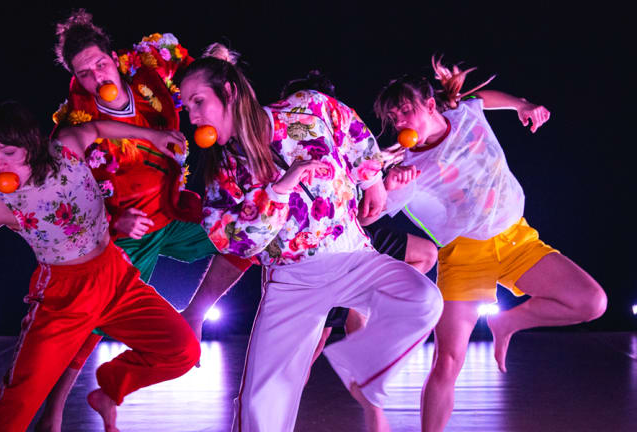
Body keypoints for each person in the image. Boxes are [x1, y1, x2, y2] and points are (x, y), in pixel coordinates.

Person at [178, 47, 444, 432]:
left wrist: (372, 180)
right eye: (187, 107)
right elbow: (236, 243)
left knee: (423, 300)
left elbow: (353, 130)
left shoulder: (307, 107)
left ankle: (362, 370)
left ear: (229, 92)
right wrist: (280, 189)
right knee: (261, 402)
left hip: (352, 257)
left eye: (198, 101)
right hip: (291, 282)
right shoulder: (223, 173)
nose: (193, 116)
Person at [41, 11, 252, 431]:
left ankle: (195, 314)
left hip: (173, 212)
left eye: (100, 63)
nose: (97, 76)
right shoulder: (75, 125)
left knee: (249, 233)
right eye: (84, 73)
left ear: (113, 57)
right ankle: (53, 413)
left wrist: (218, 60)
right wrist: (114, 222)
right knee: (91, 323)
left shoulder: (149, 67)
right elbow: (66, 202)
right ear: (75, 78)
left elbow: (197, 73)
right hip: (128, 232)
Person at [372, 57, 608, 432]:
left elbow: (483, 99)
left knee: (592, 302)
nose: (399, 121)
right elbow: (370, 216)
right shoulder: (408, 166)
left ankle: (508, 322)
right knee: (448, 362)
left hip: (516, 239)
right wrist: (387, 185)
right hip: (464, 257)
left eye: (405, 110)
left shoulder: (465, 115)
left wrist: (522, 105)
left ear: (430, 105)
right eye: (393, 117)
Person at [0, 101, 199, 432]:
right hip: (63, 297)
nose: (1, 165)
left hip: (115, 278)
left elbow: (99, 127)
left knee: (182, 350)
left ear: (31, 143)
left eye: (9, 153)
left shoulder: (67, 148)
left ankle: (110, 387)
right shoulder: (1, 204)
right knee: (20, 399)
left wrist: (152, 136)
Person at [279, 70, 438, 375]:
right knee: (314, 342)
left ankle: (362, 305)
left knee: (426, 253)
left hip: (354, 235)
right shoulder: (283, 148)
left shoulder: (347, 139)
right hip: (312, 250)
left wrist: (386, 186)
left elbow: (365, 215)